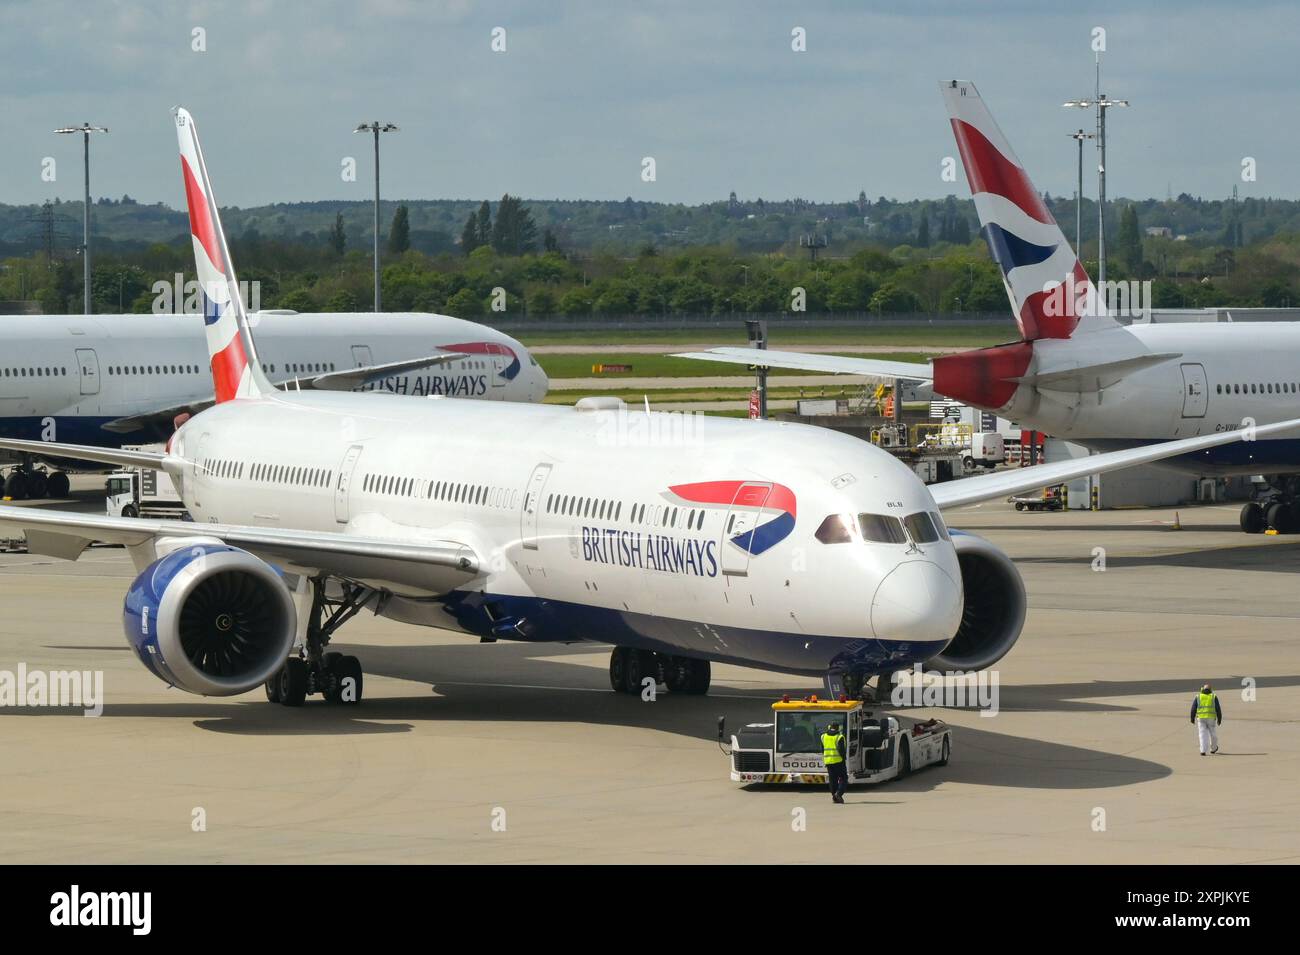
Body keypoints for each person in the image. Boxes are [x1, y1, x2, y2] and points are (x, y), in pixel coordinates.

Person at [1190, 683, 1222, 756]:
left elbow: (1193, 708)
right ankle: (1213, 748)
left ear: (1202, 689)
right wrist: (1219, 719)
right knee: (1213, 734)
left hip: (1201, 719)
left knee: (1202, 734)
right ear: (1211, 689)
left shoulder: (1198, 696)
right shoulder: (1213, 697)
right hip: (1211, 719)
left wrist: (1192, 718)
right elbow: (1218, 709)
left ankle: (1203, 750)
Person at [822, 721, 848, 803]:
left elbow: (822, 749)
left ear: (830, 727)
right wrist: (844, 759)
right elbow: (841, 751)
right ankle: (839, 793)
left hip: (828, 761)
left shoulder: (823, 736)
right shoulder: (840, 737)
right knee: (843, 778)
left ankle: (834, 796)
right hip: (838, 761)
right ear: (838, 728)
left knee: (832, 780)